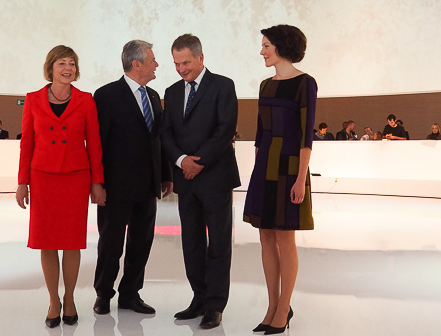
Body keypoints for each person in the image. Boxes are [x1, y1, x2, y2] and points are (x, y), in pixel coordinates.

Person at [16, 45, 105, 328]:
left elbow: (95, 144)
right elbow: (26, 143)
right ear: (51, 67)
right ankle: (54, 300)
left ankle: (70, 299)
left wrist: (97, 182)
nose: (68, 68)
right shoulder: (32, 99)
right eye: (62, 63)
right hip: (42, 178)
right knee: (46, 242)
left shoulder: (86, 100)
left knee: (71, 242)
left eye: (72, 63)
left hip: (75, 179)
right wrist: (22, 182)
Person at [162, 34, 240, 330]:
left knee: (219, 242)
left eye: (186, 62)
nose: (181, 69)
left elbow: (225, 130)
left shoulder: (223, 85)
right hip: (187, 179)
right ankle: (199, 297)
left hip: (215, 178)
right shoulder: (171, 91)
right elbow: (166, 132)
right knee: (191, 241)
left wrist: (199, 162)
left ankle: (215, 305)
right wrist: (182, 161)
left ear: (200, 57)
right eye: (176, 63)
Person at [243, 24, 316, 335]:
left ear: (282, 47)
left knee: (285, 239)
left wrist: (301, 179)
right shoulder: (264, 85)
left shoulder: (305, 83)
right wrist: (257, 171)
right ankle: (272, 306)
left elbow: (306, 136)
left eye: (266, 45)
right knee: (265, 237)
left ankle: (284, 307)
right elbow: (260, 135)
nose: (262, 51)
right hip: (265, 168)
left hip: (289, 168)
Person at [92, 40, 173, 316]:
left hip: (147, 185)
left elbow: (158, 140)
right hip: (115, 188)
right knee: (110, 243)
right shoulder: (105, 96)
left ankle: (130, 294)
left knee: (141, 243)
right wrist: (97, 183)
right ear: (136, 63)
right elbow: (97, 143)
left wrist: (165, 174)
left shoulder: (152, 96)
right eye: (152, 59)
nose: (157, 64)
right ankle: (103, 294)